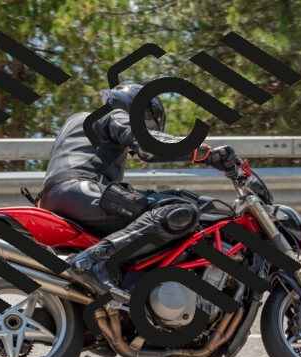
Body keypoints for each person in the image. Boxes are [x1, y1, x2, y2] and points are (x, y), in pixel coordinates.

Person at [37, 83, 239, 304]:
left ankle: (122, 281)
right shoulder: (112, 116)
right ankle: (92, 262)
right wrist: (204, 153)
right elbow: (148, 144)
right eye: (147, 122)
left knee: (155, 207)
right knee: (180, 210)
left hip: (59, 196)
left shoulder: (81, 123)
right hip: (81, 192)